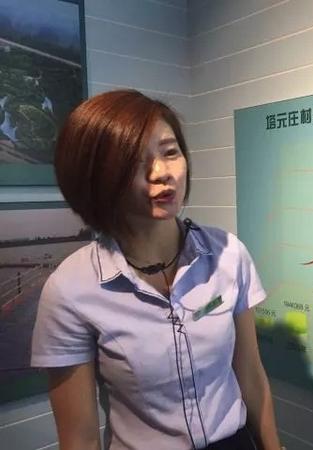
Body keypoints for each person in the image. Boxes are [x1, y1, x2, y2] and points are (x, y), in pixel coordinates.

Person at [31, 90, 282, 450]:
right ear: (97, 177)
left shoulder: (228, 254)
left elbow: (251, 375)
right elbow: (79, 438)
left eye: (170, 152)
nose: (162, 173)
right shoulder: (71, 289)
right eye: (134, 161)